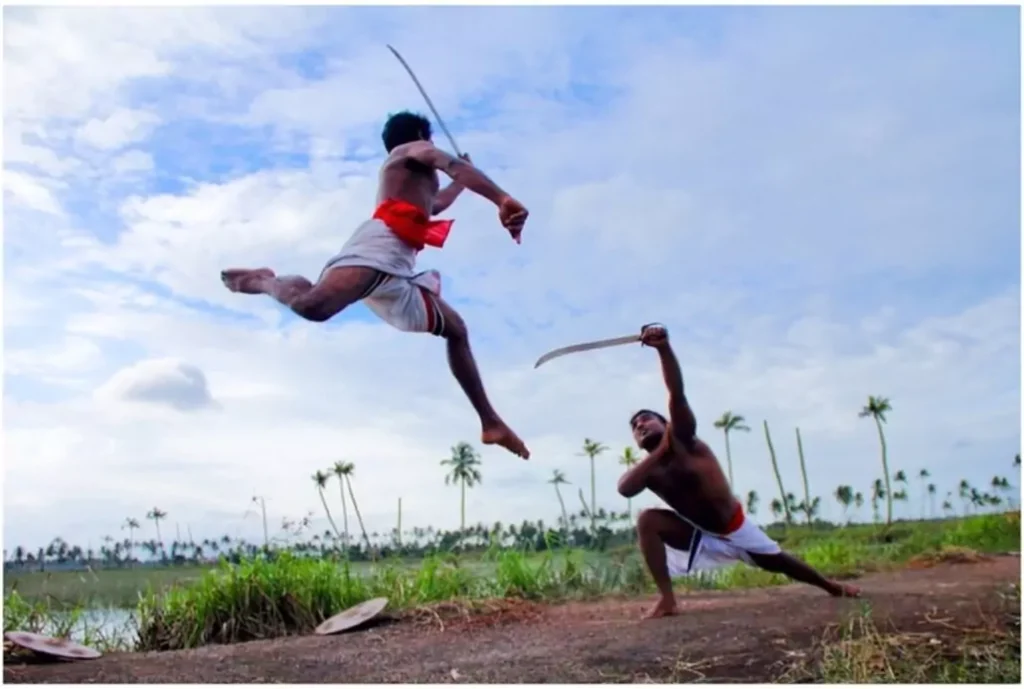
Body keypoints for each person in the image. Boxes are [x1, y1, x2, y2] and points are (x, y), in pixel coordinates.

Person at [221, 111, 530, 459]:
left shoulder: (412, 179)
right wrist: (500, 198)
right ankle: (263, 280)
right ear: (421, 136)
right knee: (313, 306)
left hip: (399, 266)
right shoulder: (409, 150)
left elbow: (437, 202)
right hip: (380, 246)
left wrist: (460, 181)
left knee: (456, 330)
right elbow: (451, 166)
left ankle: (490, 422)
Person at [617, 324, 860, 619]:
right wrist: (658, 453)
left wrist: (664, 349)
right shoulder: (649, 469)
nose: (640, 425)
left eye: (646, 419)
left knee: (779, 562)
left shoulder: (683, 438)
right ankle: (667, 600)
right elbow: (625, 488)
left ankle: (830, 585)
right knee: (648, 520)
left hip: (733, 526)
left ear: (666, 423)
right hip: (697, 532)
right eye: (635, 426)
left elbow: (676, 393)